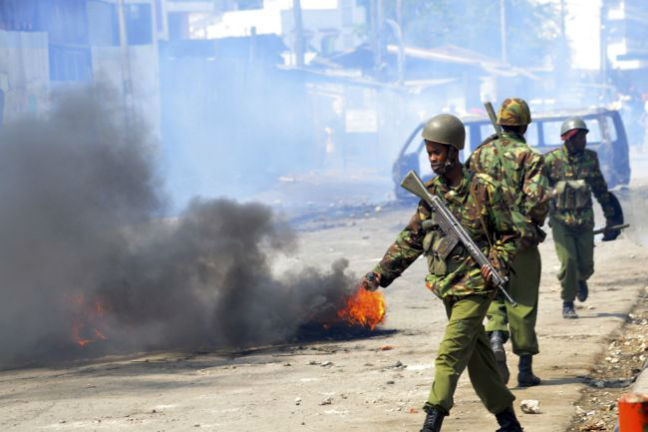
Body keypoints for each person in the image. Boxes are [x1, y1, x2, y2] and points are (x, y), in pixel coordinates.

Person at [360, 113, 524, 432]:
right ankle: (508, 422)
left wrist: (498, 264)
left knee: (449, 355)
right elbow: (413, 237)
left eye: (437, 152)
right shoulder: (431, 193)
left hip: (476, 288)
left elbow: (510, 234)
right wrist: (381, 273)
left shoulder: (483, 189)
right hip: (448, 287)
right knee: (478, 360)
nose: (432, 158)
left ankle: (432, 421)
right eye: (429, 152)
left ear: (453, 151)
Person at [467, 98, 550, 387]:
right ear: (525, 124)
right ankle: (525, 369)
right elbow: (538, 201)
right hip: (520, 241)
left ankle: (495, 340)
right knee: (523, 302)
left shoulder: (479, 154)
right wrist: (530, 223)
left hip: (487, 241)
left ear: (501, 122)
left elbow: (468, 191)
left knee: (495, 296)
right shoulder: (531, 157)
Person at [544, 116, 622, 319]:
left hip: (585, 220)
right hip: (561, 221)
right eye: (580, 137)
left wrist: (610, 216)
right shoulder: (551, 161)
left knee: (586, 265)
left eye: (585, 137)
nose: (584, 141)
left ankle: (581, 279)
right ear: (569, 139)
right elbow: (539, 190)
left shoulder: (590, 158)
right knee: (568, 262)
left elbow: (600, 188)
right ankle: (567, 302)